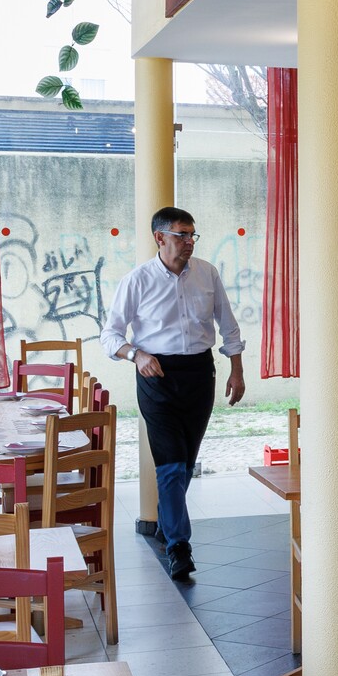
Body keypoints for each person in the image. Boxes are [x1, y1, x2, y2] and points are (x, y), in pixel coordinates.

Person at [100, 206, 245, 581]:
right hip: (156, 377)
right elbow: (109, 335)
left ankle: (167, 527)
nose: (189, 242)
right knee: (170, 464)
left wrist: (237, 370)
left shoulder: (207, 274)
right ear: (160, 237)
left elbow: (228, 325)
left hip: (199, 375)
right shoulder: (137, 280)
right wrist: (136, 355)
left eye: (192, 235)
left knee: (185, 464)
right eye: (181, 235)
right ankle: (179, 547)